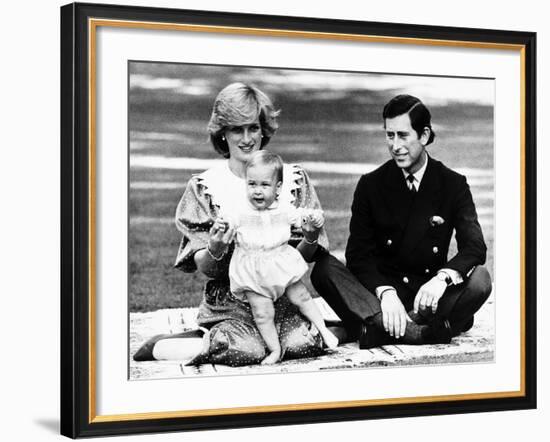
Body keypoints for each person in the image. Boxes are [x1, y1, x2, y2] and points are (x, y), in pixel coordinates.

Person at [134, 82, 329, 366]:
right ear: (222, 134)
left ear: (264, 129)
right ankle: (169, 345)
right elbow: (207, 269)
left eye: (253, 127)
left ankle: (311, 331)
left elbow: (297, 260)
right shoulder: (206, 188)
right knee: (248, 350)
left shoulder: (291, 180)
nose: (247, 138)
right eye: (237, 129)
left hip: (281, 297)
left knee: (301, 344)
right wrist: (215, 247)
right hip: (230, 302)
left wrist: (310, 238)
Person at [312, 94, 492, 348]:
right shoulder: (371, 185)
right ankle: (419, 333)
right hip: (382, 299)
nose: (395, 145)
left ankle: (367, 327)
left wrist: (442, 279)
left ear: (425, 135)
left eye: (403, 135)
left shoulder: (453, 184)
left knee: (481, 280)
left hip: (428, 300)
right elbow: (358, 255)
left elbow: (475, 247)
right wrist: (385, 292)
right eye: (389, 135)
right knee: (323, 269)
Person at [218, 150, 338, 364]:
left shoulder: (283, 208)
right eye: (252, 184)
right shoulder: (240, 210)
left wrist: (312, 219)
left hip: (280, 262)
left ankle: (323, 330)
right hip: (252, 271)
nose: (257, 191)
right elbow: (229, 220)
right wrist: (223, 225)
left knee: (301, 296)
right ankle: (274, 350)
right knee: (263, 312)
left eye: (264, 185)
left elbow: (302, 216)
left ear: (278, 188)